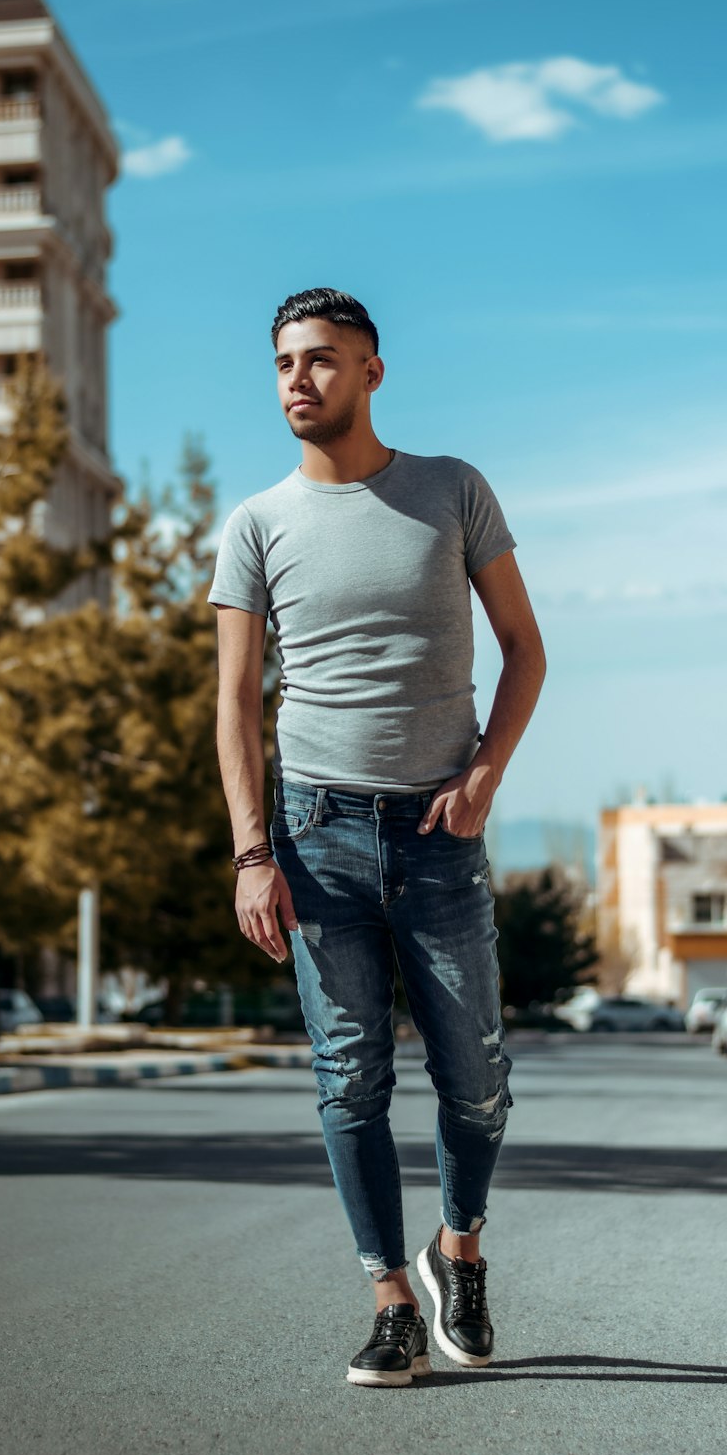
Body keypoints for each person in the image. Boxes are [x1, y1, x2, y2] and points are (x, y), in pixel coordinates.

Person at [208, 288, 546, 1387]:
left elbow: (523, 649)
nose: (296, 381)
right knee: (348, 1077)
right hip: (315, 832)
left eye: (319, 361)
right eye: (282, 365)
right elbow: (236, 701)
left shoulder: (451, 490)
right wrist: (253, 854)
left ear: (371, 372)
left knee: (476, 1076)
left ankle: (458, 1250)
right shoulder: (256, 523)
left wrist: (488, 771)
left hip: (440, 831)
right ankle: (388, 1298)